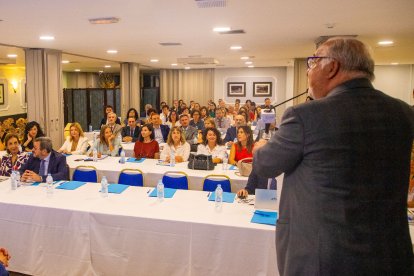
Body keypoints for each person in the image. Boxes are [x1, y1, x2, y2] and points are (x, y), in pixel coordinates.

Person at [253, 37, 414, 275]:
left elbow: (265, 165)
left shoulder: (305, 115)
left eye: (312, 63)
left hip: (323, 256)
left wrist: (259, 148)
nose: (308, 71)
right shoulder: (403, 112)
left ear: (332, 67)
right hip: (391, 253)